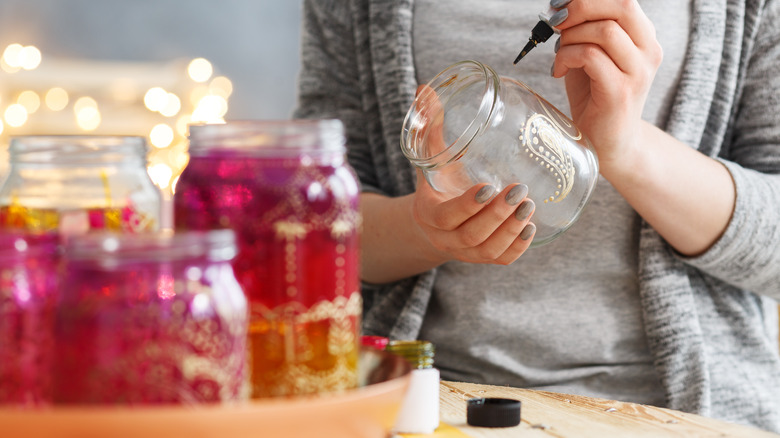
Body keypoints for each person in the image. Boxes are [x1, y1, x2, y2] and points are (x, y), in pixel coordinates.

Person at [293, 0, 780, 432]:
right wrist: (423, 230)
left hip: (682, 416)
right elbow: (310, 233)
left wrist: (628, 149)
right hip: (425, 408)